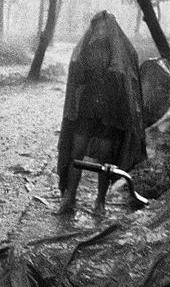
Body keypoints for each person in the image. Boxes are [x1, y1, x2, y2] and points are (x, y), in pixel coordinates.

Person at [56, 11, 145, 215]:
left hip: (110, 111)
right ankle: (70, 197)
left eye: (105, 27)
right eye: (98, 27)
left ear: (110, 29)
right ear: (94, 27)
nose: (101, 30)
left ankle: (100, 201)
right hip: (87, 107)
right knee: (76, 152)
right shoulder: (86, 48)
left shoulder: (122, 52)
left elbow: (127, 82)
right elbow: (77, 77)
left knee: (106, 158)